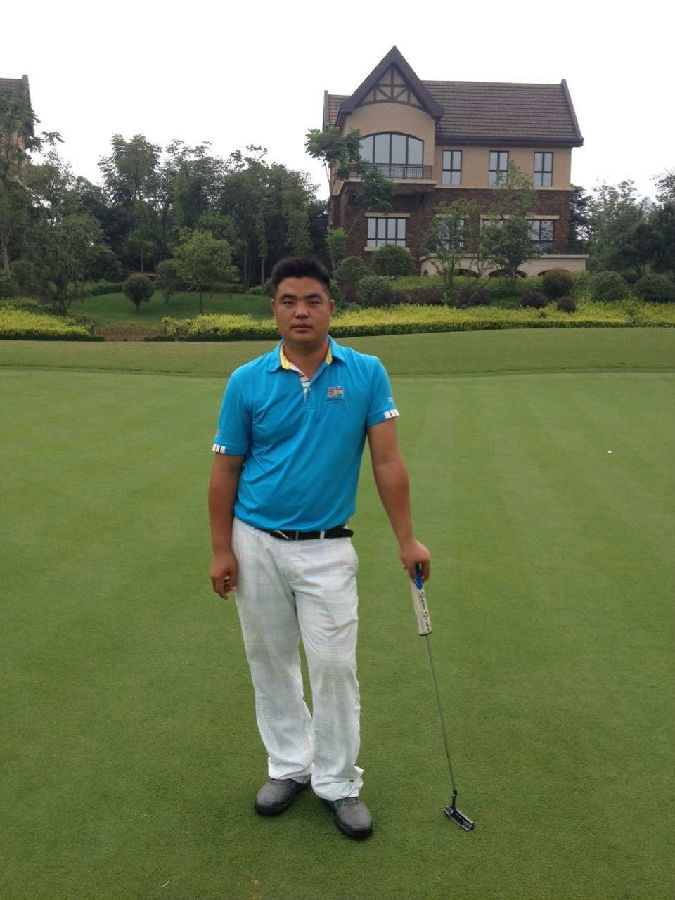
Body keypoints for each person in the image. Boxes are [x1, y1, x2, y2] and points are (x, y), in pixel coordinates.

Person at [208, 257, 430, 839]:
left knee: (334, 667)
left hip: (328, 547)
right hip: (255, 542)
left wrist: (407, 539)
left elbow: (387, 461)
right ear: (274, 310)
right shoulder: (246, 380)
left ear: (331, 307)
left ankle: (338, 781)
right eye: (288, 301)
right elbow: (225, 471)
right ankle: (289, 765)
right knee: (270, 661)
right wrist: (222, 550)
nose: (300, 311)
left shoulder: (365, 372)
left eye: (312, 300)